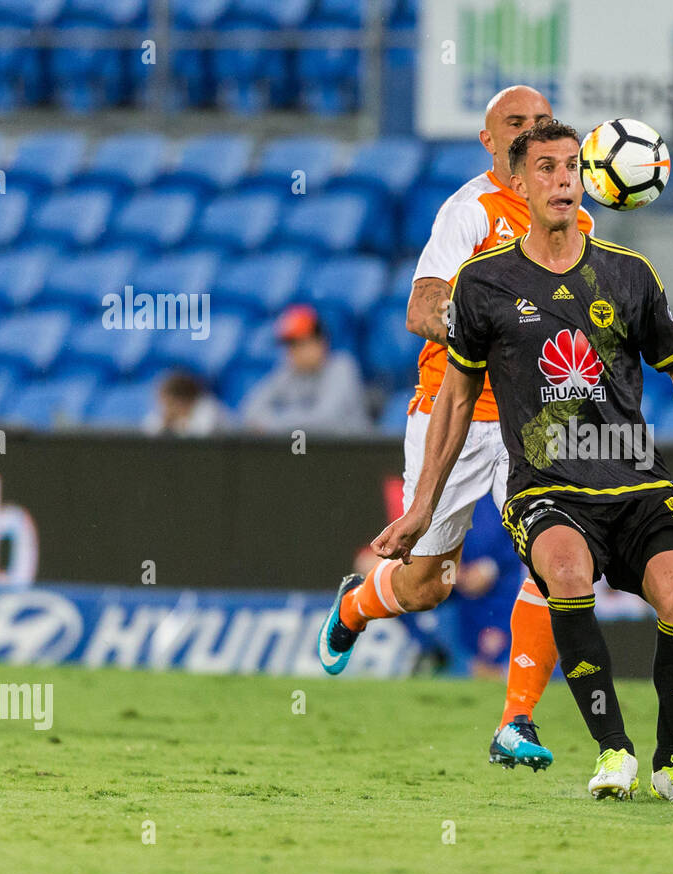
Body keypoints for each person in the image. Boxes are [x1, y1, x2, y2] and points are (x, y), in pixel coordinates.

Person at [373, 119, 673, 803]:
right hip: (546, 486)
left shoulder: (629, 275)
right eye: (545, 168)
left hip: (634, 478)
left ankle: (672, 763)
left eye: (572, 167)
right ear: (519, 183)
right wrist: (422, 506)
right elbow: (455, 403)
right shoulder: (483, 285)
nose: (562, 180)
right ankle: (613, 752)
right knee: (568, 578)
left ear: (588, 180)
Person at [315, 85, 594, 773]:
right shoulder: (470, 212)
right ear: (492, 142)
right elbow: (421, 306)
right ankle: (356, 608)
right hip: (456, 415)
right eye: (514, 125)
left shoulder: (574, 221)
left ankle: (515, 721)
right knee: (426, 586)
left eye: (540, 124)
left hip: (533, 423)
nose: (529, 135)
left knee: (563, 564)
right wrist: (482, 324)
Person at [240, 305, 370, 435]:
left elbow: (326, 419)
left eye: (299, 344)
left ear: (320, 342)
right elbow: (249, 411)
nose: (292, 352)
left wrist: (273, 424)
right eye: (289, 345)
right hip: (309, 451)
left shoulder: (341, 367)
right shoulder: (288, 372)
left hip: (350, 451)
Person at [143, 371, 229, 437]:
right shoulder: (166, 416)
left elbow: (202, 436)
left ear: (181, 400)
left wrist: (176, 426)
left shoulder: (209, 410)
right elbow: (147, 433)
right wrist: (163, 425)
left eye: (168, 403)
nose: (164, 407)